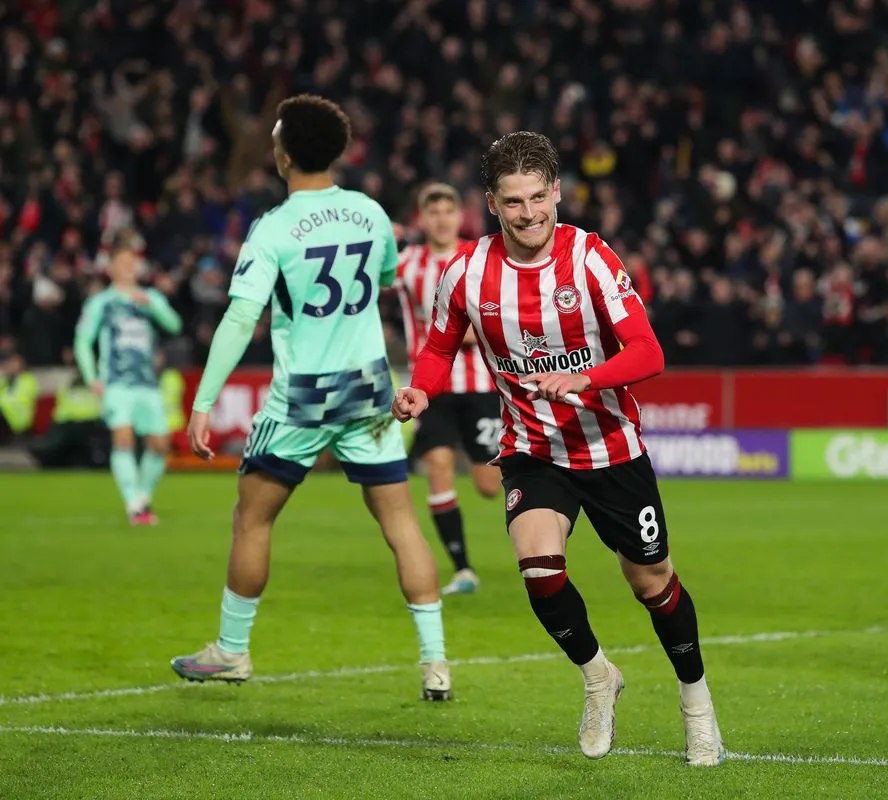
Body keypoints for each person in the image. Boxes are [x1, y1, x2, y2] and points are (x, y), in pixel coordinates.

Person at [392, 131, 724, 765]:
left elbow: (649, 352)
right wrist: (420, 391)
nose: (529, 213)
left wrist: (585, 378)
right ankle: (599, 677)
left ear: (558, 192)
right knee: (540, 571)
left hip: (611, 449)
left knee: (652, 582)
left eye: (539, 197)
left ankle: (696, 701)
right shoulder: (465, 271)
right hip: (532, 448)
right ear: (491, 202)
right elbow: (439, 346)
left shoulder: (592, 259)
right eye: (513, 201)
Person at [170, 94, 452, 701]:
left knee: (252, 517)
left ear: (285, 153)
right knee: (401, 523)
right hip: (370, 388)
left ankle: (232, 651)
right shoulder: (371, 214)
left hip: (302, 397)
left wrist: (203, 402)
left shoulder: (272, 228)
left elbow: (240, 319)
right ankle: (435, 663)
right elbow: (381, 282)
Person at [396, 182, 502, 596]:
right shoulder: (408, 264)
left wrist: (467, 333)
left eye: (448, 211)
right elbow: (368, 273)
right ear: (422, 219)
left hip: (480, 387)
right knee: (437, 467)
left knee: (489, 486)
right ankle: (462, 569)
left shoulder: (480, 257)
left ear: (460, 217)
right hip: (431, 388)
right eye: (432, 211)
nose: (441, 218)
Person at [74, 242, 182, 524]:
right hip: (117, 383)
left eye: (131, 261)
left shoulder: (150, 297)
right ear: (110, 269)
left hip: (147, 382)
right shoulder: (101, 303)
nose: (128, 267)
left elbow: (174, 325)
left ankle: (142, 496)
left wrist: (154, 307)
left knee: (159, 444)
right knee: (122, 438)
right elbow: (83, 341)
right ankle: (134, 504)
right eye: (122, 262)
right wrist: (91, 377)